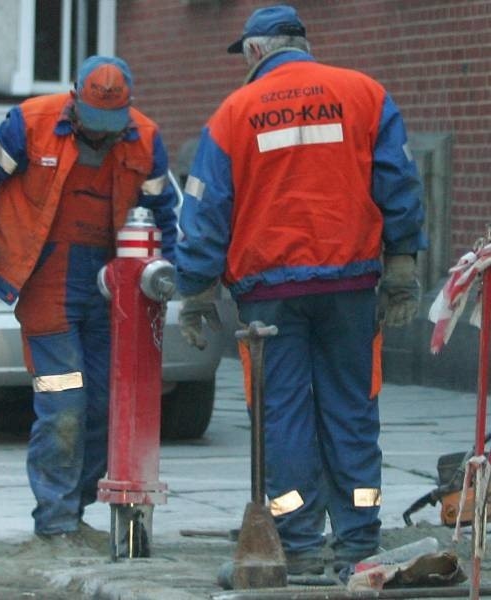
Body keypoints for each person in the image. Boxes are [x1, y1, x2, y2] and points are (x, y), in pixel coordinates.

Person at [175, 4, 427, 575]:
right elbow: (400, 184)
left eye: (242, 53)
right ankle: (360, 543)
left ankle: (300, 544)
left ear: (257, 51)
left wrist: (194, 290)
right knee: (352, 409)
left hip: (268, 296)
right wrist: (403, 264)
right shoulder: (366, 94)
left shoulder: (234, 114)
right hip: (350, 284)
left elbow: (205, 211)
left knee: (282, 415)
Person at [0, 55, 177, 546]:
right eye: (92, 126)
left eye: (110, 128)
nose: (100, 137)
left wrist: (178, 278)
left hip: (110, 287)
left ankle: (73, 512)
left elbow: (164, 212)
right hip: (49, 280)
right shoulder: (30, 124)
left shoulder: (144, 138)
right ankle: (54, 522)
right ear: (74, 101)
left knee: (104, 405)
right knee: (65, 402)